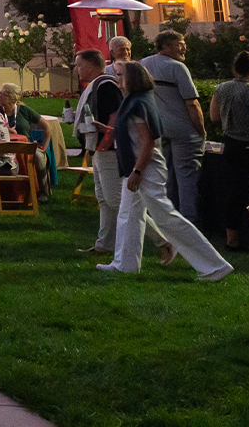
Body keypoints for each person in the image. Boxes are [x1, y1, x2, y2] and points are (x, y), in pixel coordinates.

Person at [96, 60, 231, 279]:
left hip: (144, 168)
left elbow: (148, 142)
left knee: (166, 218)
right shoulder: (135, 100)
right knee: (128, 214)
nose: (118, 79)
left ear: (132, 78)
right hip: (139, 167)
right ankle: (124, 264)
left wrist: (137, 171)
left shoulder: (138, 103)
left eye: (121, 75)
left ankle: (214, 266)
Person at [69, 49, 164, 259]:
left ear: (93, 65)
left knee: (117, 201)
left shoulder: (105, 85)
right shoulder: (97, 86)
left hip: (108, 151)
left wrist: (104, 141)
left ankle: (162, 240)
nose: (76, 69)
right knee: (104, 199)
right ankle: (104, 244)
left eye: (79, 65)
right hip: (99, 149)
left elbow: (116, 116)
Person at [209, 51, 249, 250]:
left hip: (231, 145)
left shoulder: (221, 89)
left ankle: (232, 238)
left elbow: (213, 117)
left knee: (234, 192)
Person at [141, 30, 206, 222]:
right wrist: (201, 129)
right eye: (179, 44)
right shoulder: (177, 68)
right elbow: (192, 103)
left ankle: (167, 219)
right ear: (165, 47)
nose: (184, 47)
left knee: (166, 175)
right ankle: (189, 222)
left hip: (158, 128)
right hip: (183, 130)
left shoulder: (143, 64)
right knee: (187, 177)